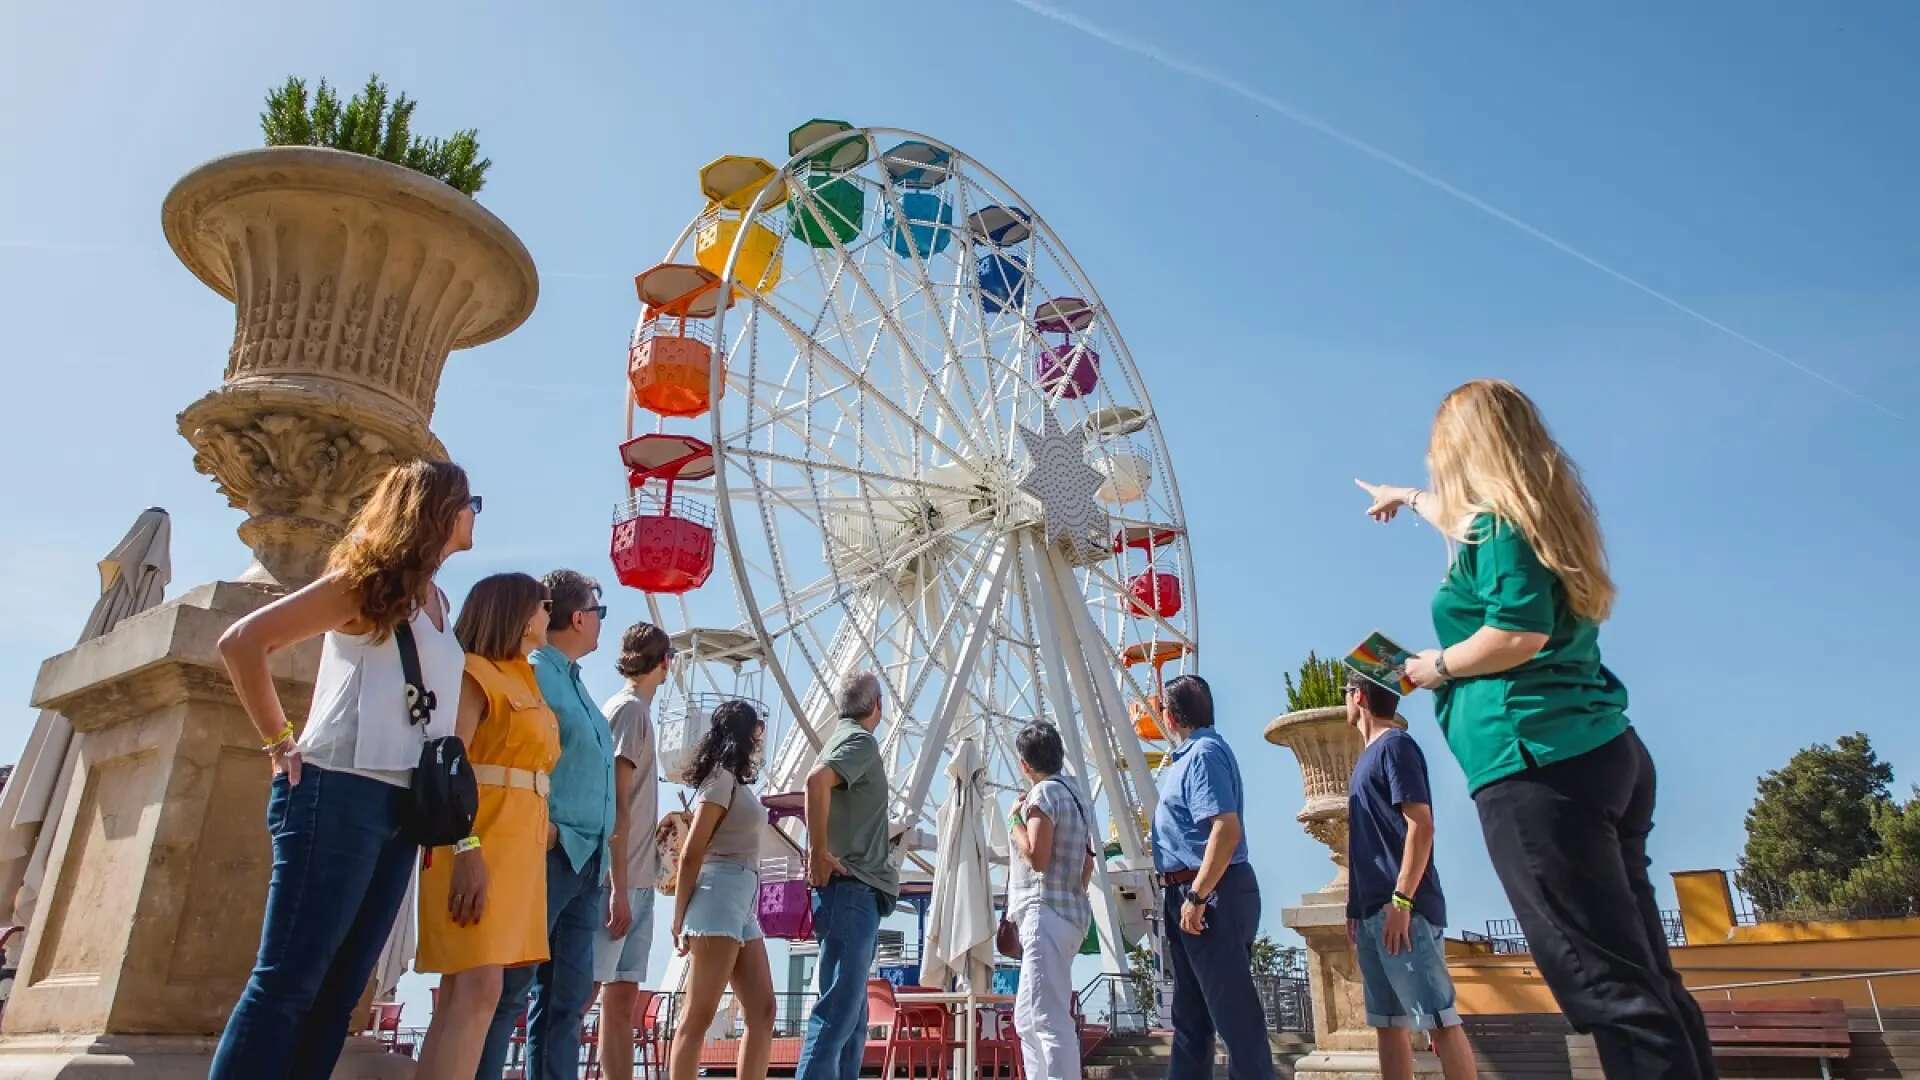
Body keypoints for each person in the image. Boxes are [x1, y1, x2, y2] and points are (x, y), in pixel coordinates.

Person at [1356, 378, 1715, 1080]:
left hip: (1535, 764)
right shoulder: (1534, 519)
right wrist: (1407, 497)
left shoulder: (1495, 526)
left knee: (1605, 989)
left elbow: (1516, 633)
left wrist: (1436, 666)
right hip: (1603, 749)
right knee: (1646, 976)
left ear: (1463, 451)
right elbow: (1462, 526)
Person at [210, 460, 477, 1079]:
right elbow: (243, 642)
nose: (473, 516)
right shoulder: (366, 582)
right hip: (339, 788)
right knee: (287, 982)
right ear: (436, 511)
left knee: (341, 994)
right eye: (469, 504)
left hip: (405, 808)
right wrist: (279, 743)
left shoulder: (439, 600)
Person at [411, 573, 561, 1078]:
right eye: (542, 605)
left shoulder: (526, 680)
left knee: (464, 993)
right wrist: (466, 848)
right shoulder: (473, 674)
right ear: (518, 615)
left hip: (516, 847)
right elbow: (451, 765)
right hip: (478, 842)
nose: (548, 613)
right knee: (478, 990)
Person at [475, 570, 616, 1080]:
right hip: (549, 851)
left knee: (568, 1000)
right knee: (511, 990)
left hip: (587, 858)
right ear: (579, 617)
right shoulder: (535, 674)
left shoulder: (576, 686)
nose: (602, 624)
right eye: (600, 613)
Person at [1343, 672, 1479, 1080]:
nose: (1345, 701)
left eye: (1346, 693)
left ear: (1360, 696)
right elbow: (1367, 842)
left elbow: (1421, 824)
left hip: (1404, 911)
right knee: (1387, 1024)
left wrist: (1402, 900)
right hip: (1371, 914)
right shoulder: (1366, 757)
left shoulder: (1396, 746)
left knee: (1439, 1019)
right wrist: (1355, 906)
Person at [1149, 674, 1275, 1080]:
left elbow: (1225, 828)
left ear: (1169, 716)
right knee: (1192, 1018)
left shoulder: (1203, 755)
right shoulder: (1191, 756)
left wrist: (1199, 895)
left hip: (1208, 892)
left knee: (1234, 1017)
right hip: (1190, 891)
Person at [794, 671, 900, 1080]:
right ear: (878, 707)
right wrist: (817, 853)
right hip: (852, 889)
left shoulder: (841, 737)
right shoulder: (859, 740)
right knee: (837, 1015)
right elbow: (816, 782)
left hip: (853, 892)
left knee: (852, 1023)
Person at [668, 700, 777, 1080]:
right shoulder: (720, 781)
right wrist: (678, 917)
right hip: (717, 896)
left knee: (763, 1009)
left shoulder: (734, 781)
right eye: (756, 731)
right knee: (697, 1016)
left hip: (742, 901)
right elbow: (692, 851)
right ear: (746, 733)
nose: (760, 738)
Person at [595, 621, 673, 1080]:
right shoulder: (630, 713)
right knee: (589, 992)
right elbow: (618, 803)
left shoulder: (632, 712)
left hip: (637, 877)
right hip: (622, 880)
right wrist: (618, 887)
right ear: (663, 663)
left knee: (620, 999)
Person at [1007, 722, 1095, 1080]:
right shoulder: (1075, 796)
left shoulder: (1042, 796)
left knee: (1048, 1019)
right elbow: (1086, 864)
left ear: (1025, 764)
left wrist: (1015, 820)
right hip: (1070, 915)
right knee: (1026, 1018)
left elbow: (1037, 857)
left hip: (1046, 914)